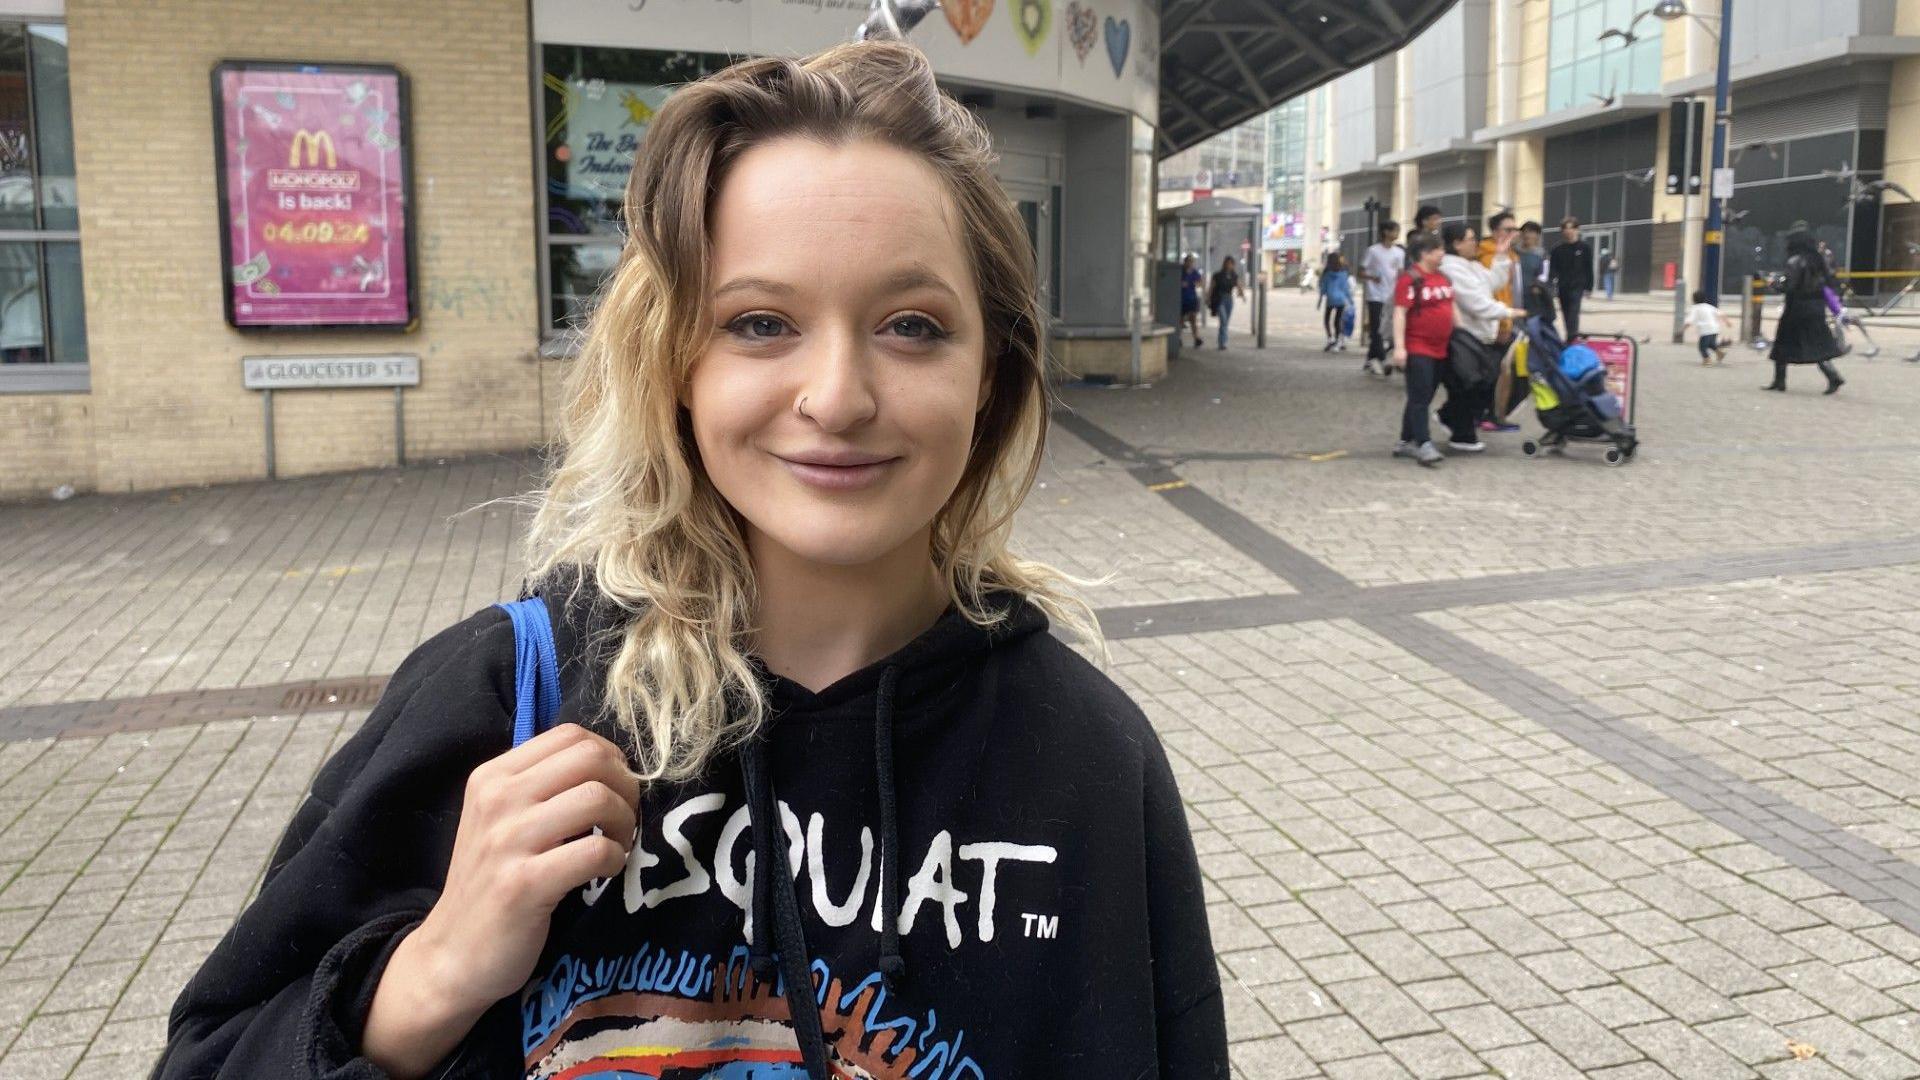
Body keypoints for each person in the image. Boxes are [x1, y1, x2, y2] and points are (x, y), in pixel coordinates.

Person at [154, 42, 1227, 1080]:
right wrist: (433, 974)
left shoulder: (1087, 763)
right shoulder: (508, 700)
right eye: (761, 323)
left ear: (991, 373)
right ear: (676, 365)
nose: (838, 397)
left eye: (911, 325)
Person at [1439, 221, 1526, 454]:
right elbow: (1475, 302)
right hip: (1463, 336)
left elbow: (1493, 282)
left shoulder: (1471, 265)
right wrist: (1508, 312)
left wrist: (1500, 256)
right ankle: (1461, 433)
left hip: (1480, 336)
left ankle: (1454, 422)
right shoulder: (1450, 268)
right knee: (1469, 385)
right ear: (1456, 244)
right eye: (1470, 239)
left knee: (1481, 384)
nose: (1474, 243)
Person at [1390, 231, 1454, 468]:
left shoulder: (1443, 277)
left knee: (1423, 395)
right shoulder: (1410, 279)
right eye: (1439, 250)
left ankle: (1405, 440)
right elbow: (1400, 313)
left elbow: (1451, 306)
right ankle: (1423, 443)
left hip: (1441, 347)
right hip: (1418, 347)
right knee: (1419, 396)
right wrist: (1399, 347)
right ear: (1425, 253)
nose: (1442, 254)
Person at [1764, 230, 1846, 394]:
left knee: (1783, 343)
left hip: (1796, 307)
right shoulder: (1818, 260)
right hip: (1816, 307)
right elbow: (1830, 281)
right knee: (1817, 345)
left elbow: (1790, 287)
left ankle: (1779, 380)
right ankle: (1832, 375)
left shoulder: (1795, 261)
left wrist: (1773, 284)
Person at [1476, 211, 1522, 432]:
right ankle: (1489, 415)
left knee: (1500, 370)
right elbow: (1497, 294)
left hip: (1507, 319)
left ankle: (1491, 414)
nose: (1513, 234)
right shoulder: (1488, 257)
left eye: (1515, 229)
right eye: (1507, 229)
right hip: (1496, 323)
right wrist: (1504, 324)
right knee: (1496, 371)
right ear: (1495, 232)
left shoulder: (1511, 255)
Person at [1360, 220, 1404, 376]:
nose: (1397, 234)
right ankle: (1383, 359)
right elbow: (1362, 271)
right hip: (1375, 295)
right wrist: (1372, 278)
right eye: (1394, 231)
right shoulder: (1373, 251)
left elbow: (1401, 274)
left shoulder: (1399, 253)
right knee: (1376, 328)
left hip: (1391, 296)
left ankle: (1371, 358)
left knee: (1387, 329)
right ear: (1385, 232)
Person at [1547, 216, 1593, 339]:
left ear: (1577, 230)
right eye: (1565, 229)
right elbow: (1553, 269)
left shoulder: (1584, 248)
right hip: (1563, 286)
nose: (1568, 231)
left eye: (1571, 228)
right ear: (1562, 231)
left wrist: (1589, 287)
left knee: (1574, 312)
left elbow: (1589, 268)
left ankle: (1572, 337)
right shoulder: (1557, 249)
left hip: (1578, 286)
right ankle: (1570, 335)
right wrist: (1550, 286)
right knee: (1566, 313)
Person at [1515, 221, 1554, 326]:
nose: (1527, 235)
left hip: (1533, 296)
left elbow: (1544, 275)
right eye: (1524, 232)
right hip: (1515, 295)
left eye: (1531, 232)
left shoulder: (1542, 254)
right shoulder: (1514, 252)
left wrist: (1537, 286)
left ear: (1537, 235)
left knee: (1532, 325)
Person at [1209, 255, 1246, 349]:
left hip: (1229, 299)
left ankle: (1222, 341)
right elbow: (1211, 287)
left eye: (1231, 264)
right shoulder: (1217, 275)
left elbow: (1238, 286)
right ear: (1224, 264)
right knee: (1224, 320)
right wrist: (1208, 298)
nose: (1229, 265)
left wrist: (1242, 295)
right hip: (1219, 298)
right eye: (1227, 263)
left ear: (1233, 265)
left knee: (1225, 322)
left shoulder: (1234, 276)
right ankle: (1222, 342)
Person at [1319, 251, 1354, 351]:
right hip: (1341, 300)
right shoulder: (1343, 273)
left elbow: (1323, 287)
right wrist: (1350, 300)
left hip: (1330, 299)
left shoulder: (1327, 273)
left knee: (1326, 319)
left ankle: (1330, 338)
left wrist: (1321, 296)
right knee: (1337, 321)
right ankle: (1338, 341)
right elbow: (1346, 289)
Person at [1686, 289, 1728, 364]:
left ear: (1694, 300)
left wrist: (1683, 328)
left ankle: (1707, 359)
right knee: (1710, 344)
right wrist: (1728, 322)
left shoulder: (1695, 308)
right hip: (1715, 329)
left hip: (1706, 330)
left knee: (1702, 347)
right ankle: (1720, 353)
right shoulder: (1709, 306)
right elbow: (1721, 314)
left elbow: (1690, 320)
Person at [1179, 253, 1205, 349]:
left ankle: (1196, 338)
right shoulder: (1180, 271)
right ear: (1185, 262)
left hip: (1191, 298)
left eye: (1191, 262)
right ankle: (1178, 338)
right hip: (1181, 299)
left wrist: (1197, 283)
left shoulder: (1194, 272)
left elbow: (1200, 282)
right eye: (1188, 261)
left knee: (1193, 319)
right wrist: (1181, 284)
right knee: (1180, 320)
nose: (1190, 263)